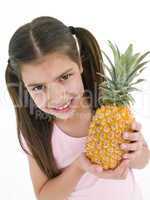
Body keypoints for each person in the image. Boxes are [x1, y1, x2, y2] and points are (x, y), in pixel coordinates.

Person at [5, 16, 150, 200]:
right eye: (38, 87)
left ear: (80, 64)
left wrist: (136, 153)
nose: (57, 97)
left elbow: (144, 160)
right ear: (24, 85)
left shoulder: (110, 106)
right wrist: (79, 166)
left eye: (64, 77)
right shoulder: (36, 133)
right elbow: (45, 196)